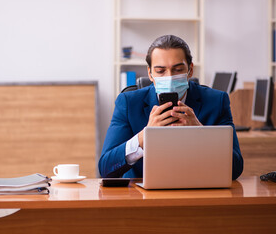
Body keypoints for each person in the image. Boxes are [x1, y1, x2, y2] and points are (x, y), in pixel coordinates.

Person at [99, 35, 243, 180]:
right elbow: (105, 168)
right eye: (161, 71)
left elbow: (236, 168)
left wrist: (201, 133)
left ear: (190, 70)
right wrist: (143, 137)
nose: (169, 77)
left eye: (178, 69)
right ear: (150, 73)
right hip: (142, 197)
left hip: (198, 192)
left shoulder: (217, 101)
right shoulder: (128, 103)